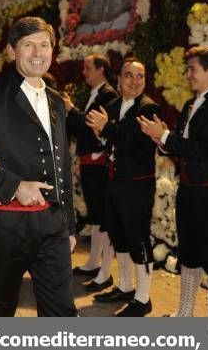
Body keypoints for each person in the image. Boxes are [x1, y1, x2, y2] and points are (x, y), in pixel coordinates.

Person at [0, 17, 78, 317]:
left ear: (52, 50)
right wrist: (15, 185)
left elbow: (63, 165)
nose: (37, 52)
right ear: (11, 51)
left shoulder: (57, 102)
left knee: (62, 312)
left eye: (44, 45)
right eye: (28, 45)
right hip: (4, 226)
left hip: (52, 225)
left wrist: (69, 225)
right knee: (0, 309)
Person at [137, 45, 208, 317]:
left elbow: (207, 150)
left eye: (193, 69)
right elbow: (181, 146)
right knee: (189, 254)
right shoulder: (191, 104)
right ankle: (185, 315)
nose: (188, 74)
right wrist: (160, 139)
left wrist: (168, 137)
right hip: (189, 192)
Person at [86, 57, 159, 316]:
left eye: (140, 76)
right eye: (129, 75)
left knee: (138, 238)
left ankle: (143, 297)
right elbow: (114, 141)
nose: (135, 81)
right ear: (119, 79)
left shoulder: (149, 108)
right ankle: (126, 286)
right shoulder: (115, 104)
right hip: (115, 181)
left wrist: (108, 129)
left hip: (138, 185)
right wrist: (102, 133)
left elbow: (134, 143)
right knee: (119, 236)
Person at [62, 54, 118, 291]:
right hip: (87, 162)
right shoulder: (94, 94)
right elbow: (80, 129)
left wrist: (71, 110)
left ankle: (105, 270)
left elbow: (94, 127)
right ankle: (94, 262)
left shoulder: (109, 95)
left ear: (101, 70)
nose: (84, 72)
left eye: (88, 68)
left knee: (103, 216)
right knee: (95, 215)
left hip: (99, 163)